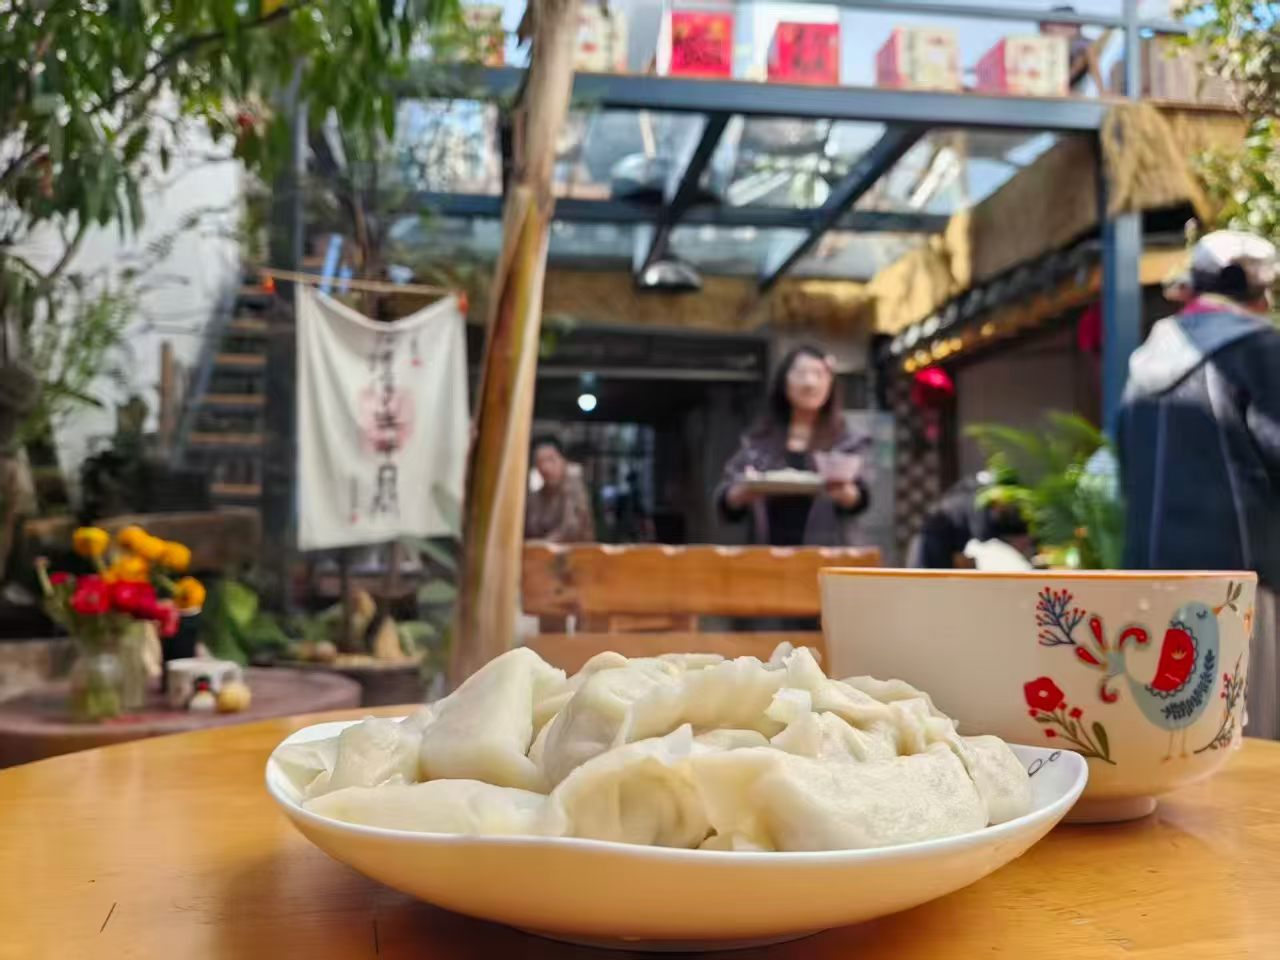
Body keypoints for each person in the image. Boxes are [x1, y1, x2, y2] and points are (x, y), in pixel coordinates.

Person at [1116, 229, 1280, 740]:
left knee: (1172, 732)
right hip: (1241, 579)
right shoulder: (1258, 348)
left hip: (1150, 579)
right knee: (1246, 730)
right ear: (1259, 292)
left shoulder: (1144, 360)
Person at [717, 346, 870, 547]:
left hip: (828, 554)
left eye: (818, 374)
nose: (809, 383)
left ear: (830, 383)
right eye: (801, 373)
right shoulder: (758, 440)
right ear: (784, 382)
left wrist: (843, 491)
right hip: (767, 555)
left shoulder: (847, 440)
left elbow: (861, 499)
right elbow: (726, 502)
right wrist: (744, 491)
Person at [525, 435, 596, 543]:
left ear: (564, 461)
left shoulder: (573, 483)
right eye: (540, 462)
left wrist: (542, 544)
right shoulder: (537, 495)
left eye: (551, 460)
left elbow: (571, 528)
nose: (545, 467)